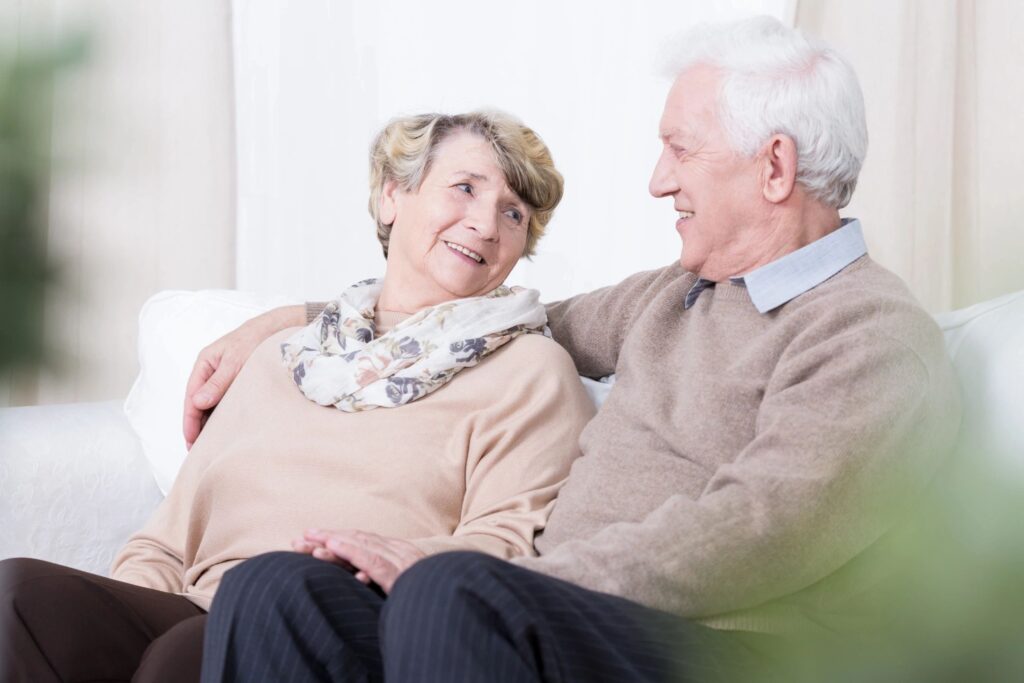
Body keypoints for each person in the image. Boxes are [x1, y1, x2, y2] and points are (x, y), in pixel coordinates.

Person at [196, 16, 962, 682]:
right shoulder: (675, 294)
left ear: (774, 167)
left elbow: (757, 530)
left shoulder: (872, 337)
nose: (659, 180)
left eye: (680, 149)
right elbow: (491, 326)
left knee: (449, 593)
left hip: (732, 648)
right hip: (551, 615)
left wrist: (515, 579)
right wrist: (296, 318)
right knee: (276, 592)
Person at [0, 111, 595, 683]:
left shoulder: (528, 370)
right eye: (465, 188)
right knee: (20, 598)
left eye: (513, 214)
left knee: (186, 654)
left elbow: (505, 543)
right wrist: (125, 622)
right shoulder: (282, 356)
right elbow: (164, 540)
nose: (486, 225)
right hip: (203, 606)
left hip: (344, 617)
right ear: (393, 196)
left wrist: (383, 557)